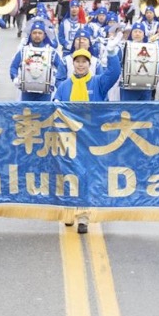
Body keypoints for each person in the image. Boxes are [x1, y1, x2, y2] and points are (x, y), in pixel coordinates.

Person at [52, 42, 122, 235]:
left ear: (89, 64)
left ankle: (83, 215)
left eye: (84, 62)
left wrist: (112, 53)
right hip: (69, 138)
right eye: (77, 62)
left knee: (86, 176)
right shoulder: (65, 86)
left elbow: (114, 73)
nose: (81, 65)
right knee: (68, 174)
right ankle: (68, 211)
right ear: (73, 64)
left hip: (92, 137)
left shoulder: (98, 82)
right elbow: (55, 107)